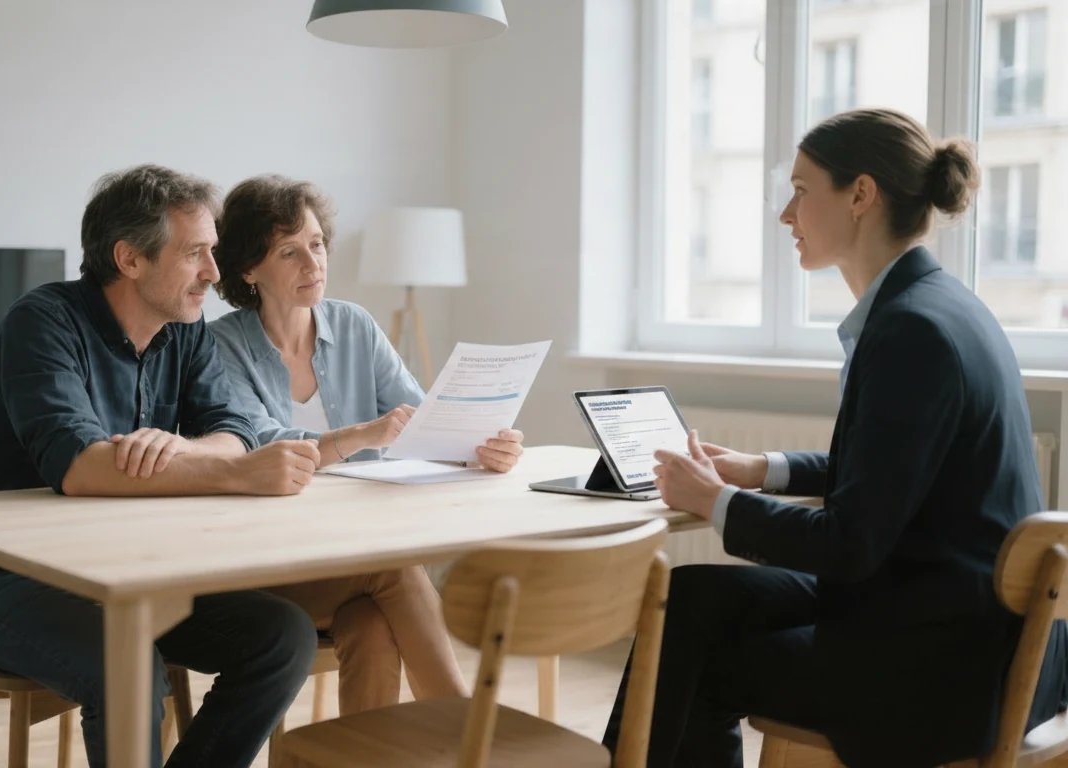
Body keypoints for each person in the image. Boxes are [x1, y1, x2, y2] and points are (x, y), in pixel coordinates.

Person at [602, 108, 1068, 767]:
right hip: (958, 621)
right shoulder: (939, 304)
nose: (785, 216)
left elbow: (849, 544)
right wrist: (758, 470)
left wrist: (713, 502)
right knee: (691, 600)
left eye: (799, 190)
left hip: (942, 673)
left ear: (860, 195)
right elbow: (890, 472)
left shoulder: (912, 333)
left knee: (695, 661)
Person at [0, 164, 324, 768]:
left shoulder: (186, 330)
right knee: (129, 664)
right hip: (4, 585)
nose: (214, 274)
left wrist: (191, 451)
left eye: (213, 252)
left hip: (133, 574)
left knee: (284, 635)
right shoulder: (41, 323)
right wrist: (232, 473)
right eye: (195, 253)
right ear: (130, 259)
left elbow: (235, 431)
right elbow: (82, 469)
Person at [207, 174, 524, 713]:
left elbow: (425, 422)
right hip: (267, 571)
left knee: (374, 627)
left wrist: (482, 444)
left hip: (350, 558)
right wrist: (362, 435)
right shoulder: (220, 346)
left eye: (317, 244)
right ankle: (465, 732)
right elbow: (259, 445)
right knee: (394, 567)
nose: (313, 264)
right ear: (247, 267)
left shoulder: (354, 325)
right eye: (289, 252)